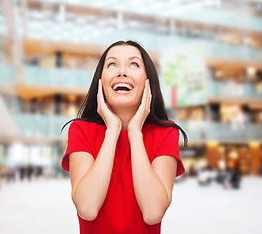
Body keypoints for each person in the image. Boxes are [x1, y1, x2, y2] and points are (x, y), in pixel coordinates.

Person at [61, 40, 188, 234]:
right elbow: (87, 208)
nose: (122, 72)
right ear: (100, 81)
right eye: (112, 64)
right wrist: (112, 130)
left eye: (134, 64)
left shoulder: (166, 133)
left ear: (148, 81)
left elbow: (153, 212)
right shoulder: (81, 130)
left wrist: (135, 132)